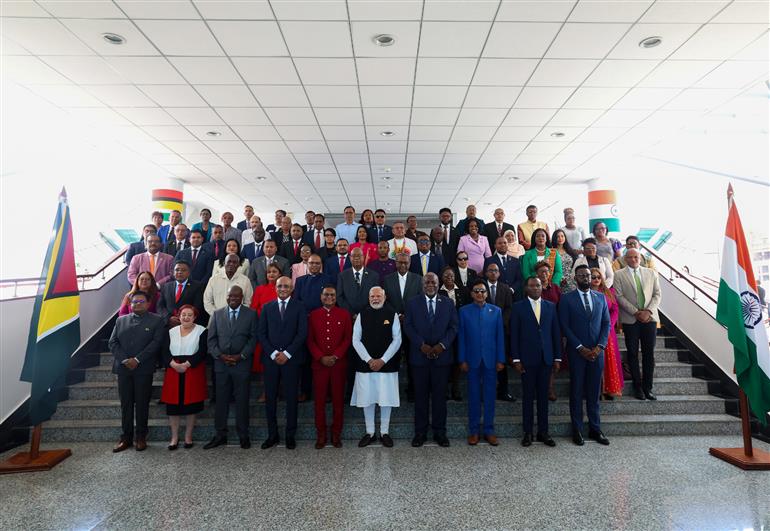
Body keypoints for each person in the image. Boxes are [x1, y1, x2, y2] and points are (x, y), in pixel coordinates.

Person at [404, 273, 459, 447]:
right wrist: (422, 345)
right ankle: (420, 433)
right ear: (422, 284)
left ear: (438, 284)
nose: (430, 284)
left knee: (439, 398)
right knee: (420, 397)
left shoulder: (448, 303)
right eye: (427, 282)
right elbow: (408, 326)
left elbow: (454, 327)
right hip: (419, 358)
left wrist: (442, 345)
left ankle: (439, 432)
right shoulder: (412, 303)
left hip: (442, 358)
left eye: (433, 282)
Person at [558, 265, 611, 446]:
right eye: (582, 275)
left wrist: (600, 346)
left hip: (597, 353)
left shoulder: (601, 298)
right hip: (577, 353)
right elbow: (564, 326)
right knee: (577, 391)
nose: (586, 278)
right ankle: (577, 429)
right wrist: (580, 347)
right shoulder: (566, 299)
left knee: (594, 392)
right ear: (575, 278)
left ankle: (595, 429)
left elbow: (606, 324)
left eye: (588, 275)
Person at [108, 290, 165, 452]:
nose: (137, 304)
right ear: (129, 304)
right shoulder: (120, 320)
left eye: (141, 301)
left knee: (142, 404)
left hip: (143, 369)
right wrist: (125, 360)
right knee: (125, 404)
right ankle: (126, 438)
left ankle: (141, 436)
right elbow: (113, 343)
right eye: (134, 302)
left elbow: (156, 343)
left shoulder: (157, 320)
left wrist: (137, 359)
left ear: (148, 303)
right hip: (123, 368)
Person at [204, 285, 258, 450]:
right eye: (230, 297)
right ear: (226, 297)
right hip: (221, 365)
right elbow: (211, 340)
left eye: (236, 296)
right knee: (221, 401)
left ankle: (243, 435)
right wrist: (220, 355)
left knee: (242, 400)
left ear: (242, 297)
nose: (232, 299)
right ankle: (220, 434)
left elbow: (253, 339)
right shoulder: (217, 314)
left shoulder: (251, 314)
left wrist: (240, 356)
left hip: (241, 364)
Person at [510, 276, 561, 447]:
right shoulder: (518, 307)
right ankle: (528, 432)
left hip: (546, 359)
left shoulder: (551, 307)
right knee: (528, 397)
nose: (536, 288)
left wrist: (557, 357)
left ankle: (543, 432)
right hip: (527, 359)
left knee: (543, 397)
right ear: (526, 288)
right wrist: (516, 358)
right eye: (532, 286)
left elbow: (555, 333)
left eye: (538, 285)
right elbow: (514, 335)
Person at [258, 277, 308, 450]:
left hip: (291, 359)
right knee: (270, 398)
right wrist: (273, 353)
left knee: (291, 398)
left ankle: (290, 435)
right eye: (280, 286)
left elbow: (302, 333)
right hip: (271, 360)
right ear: (275, 288)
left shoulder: (299, 307)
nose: (283, 288)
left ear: (292, 288)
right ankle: (272, 435)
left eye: (286, 286)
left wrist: (287, 353)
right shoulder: (267, 307)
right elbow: (261, 334)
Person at [351, 287, 402, 448]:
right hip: (366, 364)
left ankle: (385, 432)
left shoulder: (392, 314)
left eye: (378, 296)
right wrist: (369, 360)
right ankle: (370, 432)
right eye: (372, 296)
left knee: (386, 399)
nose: (375, 298)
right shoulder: (362, 315)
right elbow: (355, 340)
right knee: (367, 398)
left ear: (384, 297)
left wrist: (383, 360)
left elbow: (397, 340)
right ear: (368, 298)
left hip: (387, 365)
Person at [458, 279, 505, 446]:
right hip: (472, 361)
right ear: (471, 294)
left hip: (491, 360)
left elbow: (500, 336)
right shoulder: (463, 311)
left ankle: (489, 430)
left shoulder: (496, 311)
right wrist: (462, 359)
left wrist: (501, 359)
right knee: (473, 396)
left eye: (483, 291)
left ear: (487, 293)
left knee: (490, 396)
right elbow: (461, 337)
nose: (480, 294)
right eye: (476, 291)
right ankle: (473, 431)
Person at [613, 248, 662, 401]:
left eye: (636, 257)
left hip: (649, 319)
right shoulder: (618, 274)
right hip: (630, 319)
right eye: (630, 257)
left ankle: (648, 388)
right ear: (625, 259)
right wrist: (636, 312)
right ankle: (637, 387)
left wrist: (648, 311)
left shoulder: (651, 273)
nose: (633, 260)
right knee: (632, 354)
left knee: (649, 354)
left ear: (640, 258)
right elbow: (619, 296)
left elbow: (657, 294)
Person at [307, 285, 352, 449]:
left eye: (332, 295)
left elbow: (347, 339)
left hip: (338, 365)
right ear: (321, 297)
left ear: (336, 297)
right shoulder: (313, 315)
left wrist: (335, 356)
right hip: (319, 366)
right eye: (326, 295)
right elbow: (310, 340)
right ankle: (321, 434)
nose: (329, 297)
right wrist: (320, 357)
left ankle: (336, 434)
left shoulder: (344, 314)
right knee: (319, 402)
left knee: (338, 401)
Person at [161, 305, 207, 450]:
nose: (186, 317)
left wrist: (187, 364)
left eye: (189, 315)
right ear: (179, 316)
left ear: (194, 317)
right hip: (173, 369)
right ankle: (174, 437)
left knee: (191, 406)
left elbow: (203, 351)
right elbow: (163, 351)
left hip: (193, 369)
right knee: (173, 407)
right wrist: (173, 364)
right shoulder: (170, 331)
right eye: (183, 315)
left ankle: (188, 436)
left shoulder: (202, 331)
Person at [383, 253, 423, 401]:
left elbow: (420, 301)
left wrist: (407, 316)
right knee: (392, 358)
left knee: (412, 359)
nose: (403, 265)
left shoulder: (418, 279)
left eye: (405, 262)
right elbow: (385, 301)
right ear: (395, 263)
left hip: (412, 326)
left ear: (410, 262)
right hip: (392, 326)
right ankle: (391, 390)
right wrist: (397, 315)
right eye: (400, 262)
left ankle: (412, 390)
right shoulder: (387, 280)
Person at [590, 268, 623, 399]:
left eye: (598, 277)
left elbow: (615, 310)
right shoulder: (585, 293)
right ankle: (595, 390)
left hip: (607, 332)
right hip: (592, 331)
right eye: (593, 277)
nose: (596, 279)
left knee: (609, 361)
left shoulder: (609, 292)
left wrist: (609, 325)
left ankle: (609, 389)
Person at [484, 263, 515, 403]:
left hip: (501, 331)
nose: (493, 273)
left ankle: (503, 391)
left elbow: (509, 308)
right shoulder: (481, 288)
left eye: (495, 270)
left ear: (499, 273)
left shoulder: (505, 289)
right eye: (490, 270)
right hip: (483, 331)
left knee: (501, 361)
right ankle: (486, 392)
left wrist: (500, 322)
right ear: (486, 273)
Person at [438, 266, 468, 401]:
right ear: (442, 278)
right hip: (443, 332)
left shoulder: (463, 291)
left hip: (460, 331)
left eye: (451, 275)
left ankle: (455, 387)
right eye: (446, 276)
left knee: (457, 359)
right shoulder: (438, 292)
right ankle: (444, 389)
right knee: (445, 360)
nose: (449, 278)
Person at [249, 263, 282, 380]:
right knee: (263, 358)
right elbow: (253, 308)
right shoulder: (260, 289)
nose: (271, 274)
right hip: (262, 327)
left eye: (274, 271)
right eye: (269, 272)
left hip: (279, 329)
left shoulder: (283, 289)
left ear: (280, 274)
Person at [156, 260, 206, 326]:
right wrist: (168, 317)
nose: (180, 272)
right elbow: (160, 306)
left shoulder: (198, 286)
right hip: (168, 324)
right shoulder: (166, 286)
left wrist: (183, 318)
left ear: (189, 273)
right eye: (177, 270)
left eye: (183, 270)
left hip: (189, 324)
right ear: (173, 272)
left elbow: (197, 306)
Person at [336, 248, 379, 318]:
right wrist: (352, 314)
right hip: (348, 316)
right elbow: (339, 297)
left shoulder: (374, 276)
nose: (356, 258)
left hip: (369, 315)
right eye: (353, 256)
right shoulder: (342, 276)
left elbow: (376, 296)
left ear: (364, 257)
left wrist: (364, 313)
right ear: (350, 258)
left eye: (359, 256)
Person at [551, 228, 576, 293]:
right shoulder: (551, 251)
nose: (560, 238)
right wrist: (560, 279)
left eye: (562, 236)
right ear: (554, 238)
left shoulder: (569, 251)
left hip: (571, 280)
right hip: (557, 280)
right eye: (558, 236)